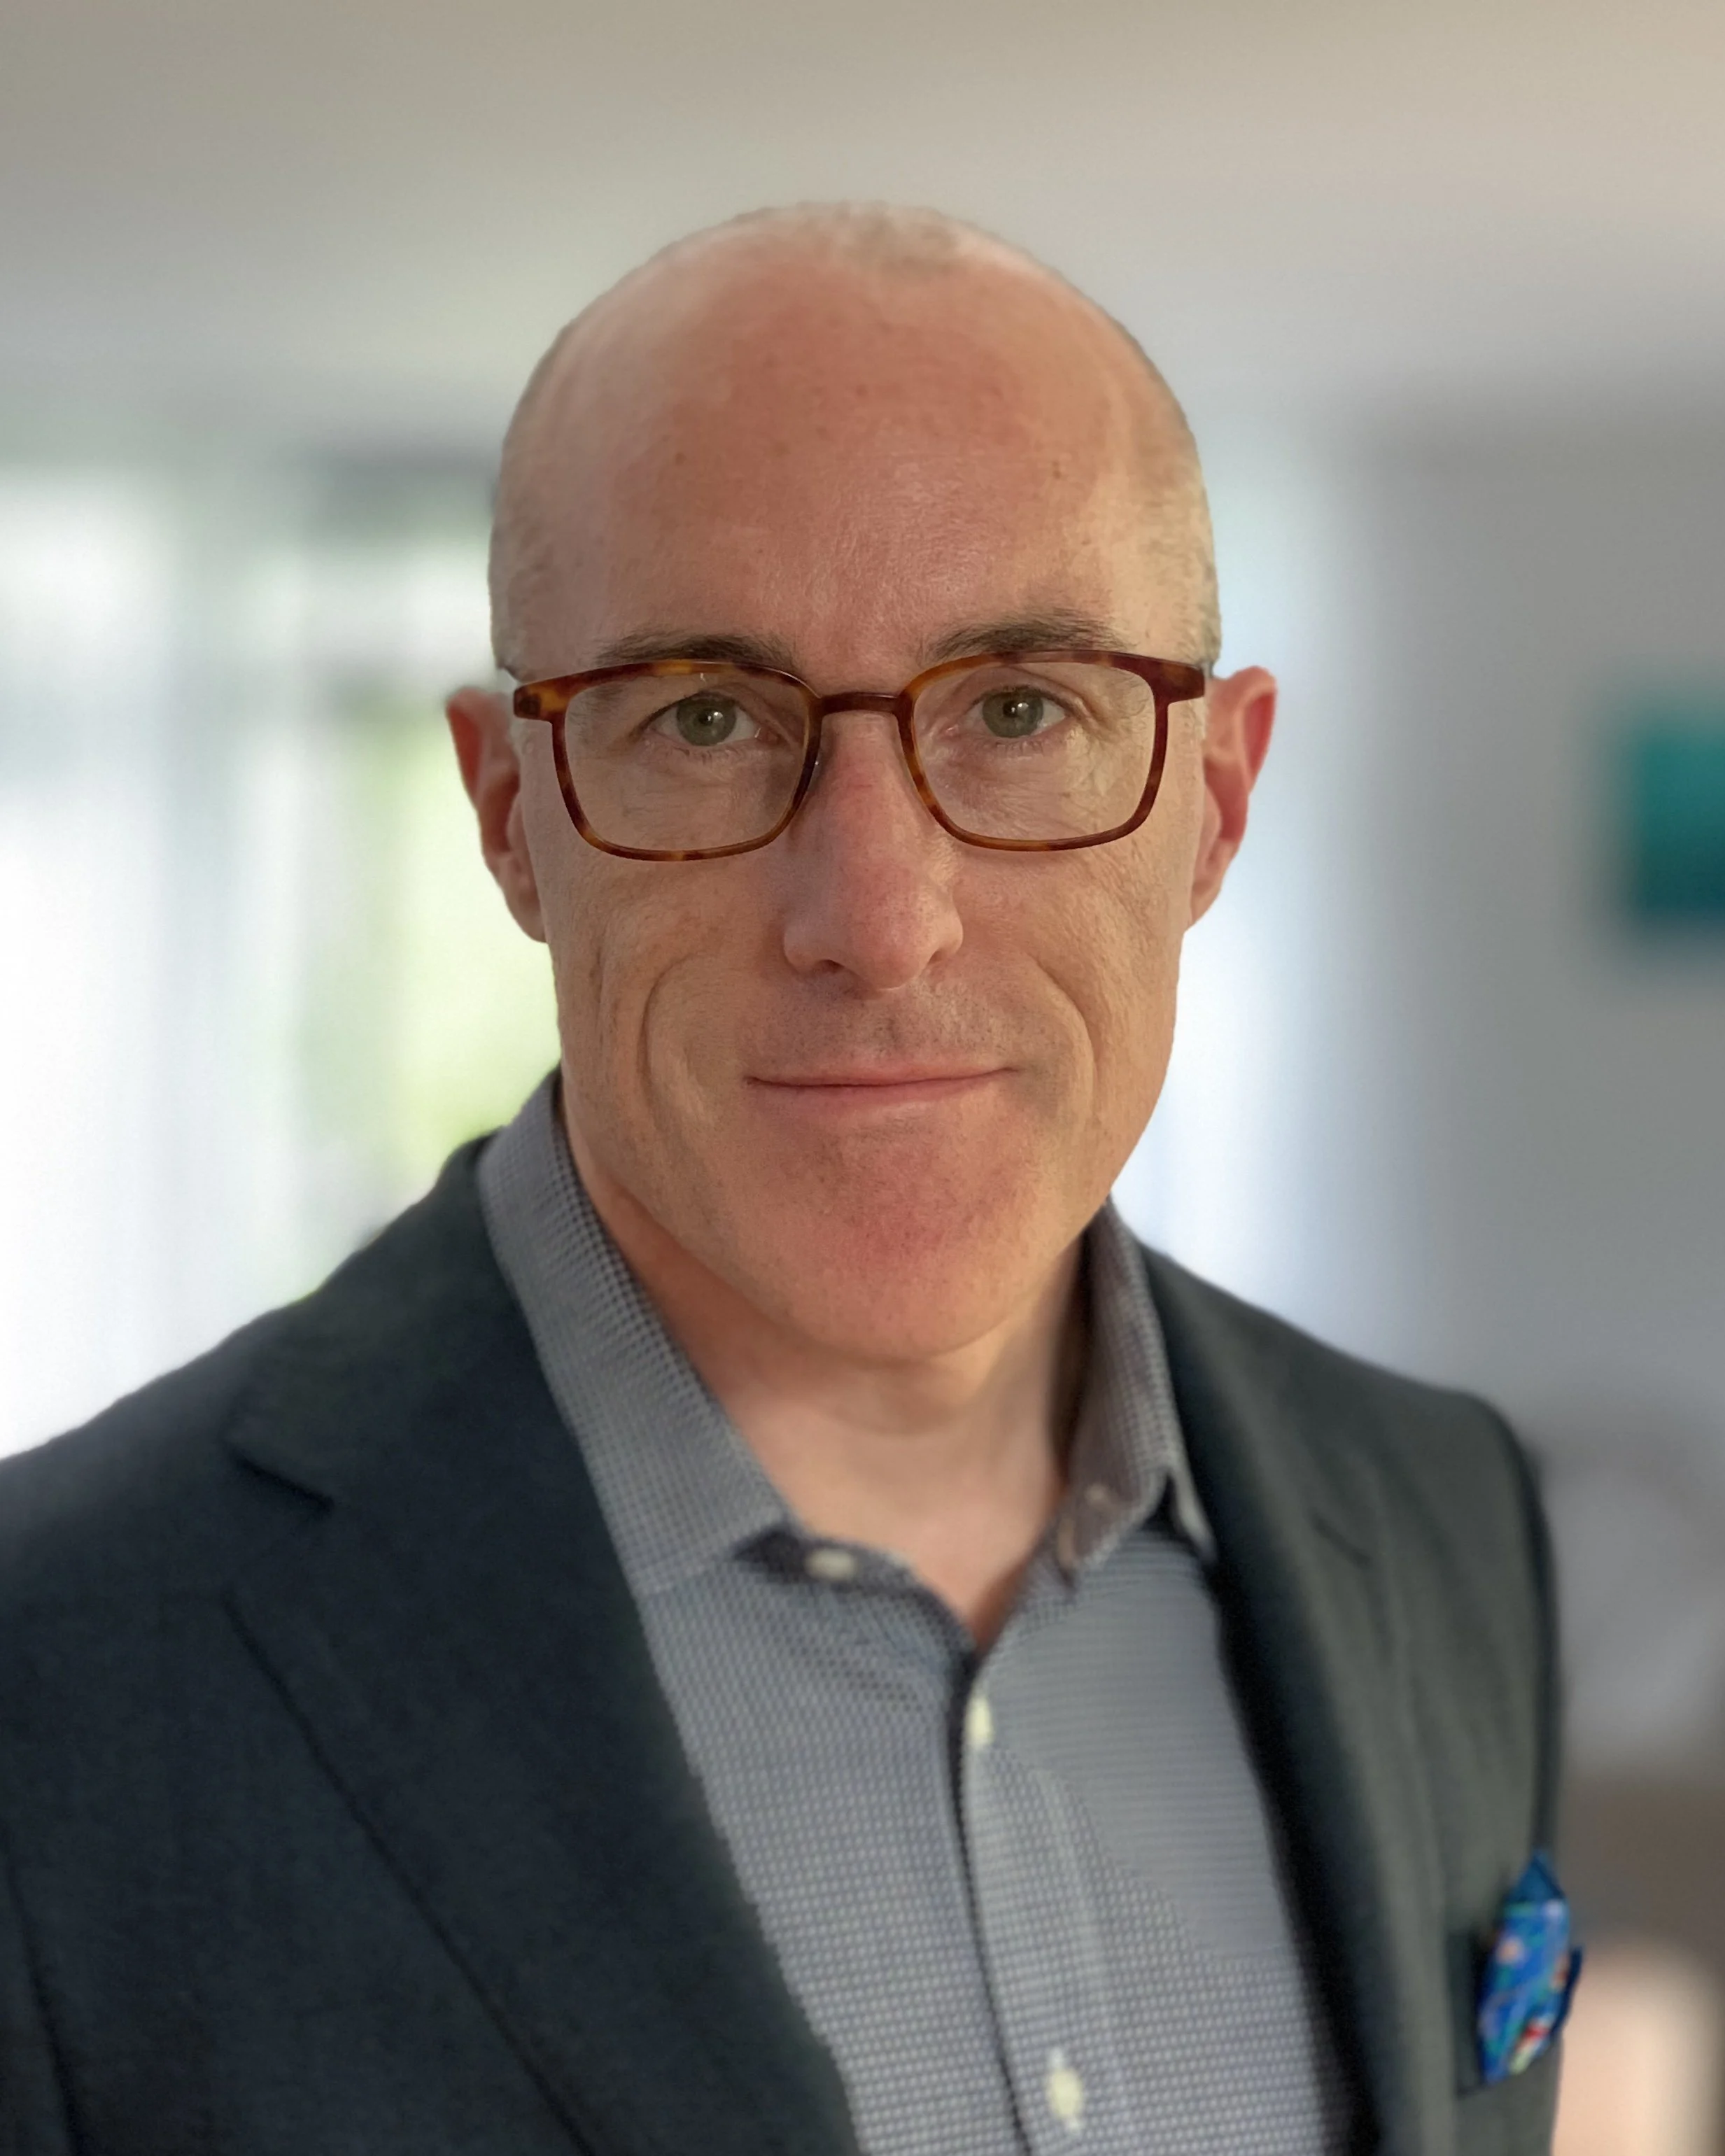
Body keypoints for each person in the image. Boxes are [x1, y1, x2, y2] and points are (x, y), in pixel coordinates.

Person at [0, 206, 1564, 2156]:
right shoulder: (54, 1674)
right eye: (708, 722)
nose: (878, 919)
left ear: (1215, 804)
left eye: (1018, 710)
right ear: (511, 819)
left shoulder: (1442, 1520)